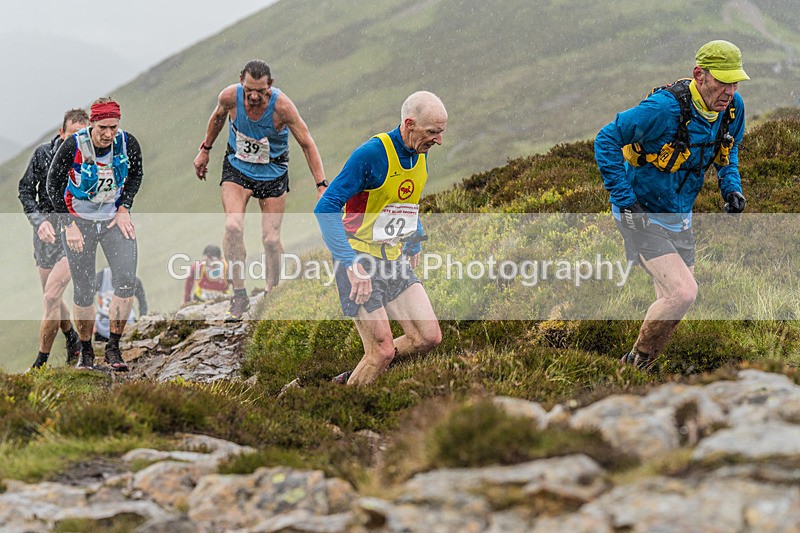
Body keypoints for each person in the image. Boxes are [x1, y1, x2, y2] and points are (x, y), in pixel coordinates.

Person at [594, 40, 749, 371]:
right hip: (641, 216)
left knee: (672, 300)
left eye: (735, 82)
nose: (730, 91)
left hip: (680, 218)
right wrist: (626, 201)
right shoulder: (662, 110)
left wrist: (730, 187)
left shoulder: (732, 110)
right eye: (723, 81)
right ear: (699, 75)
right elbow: (606, 139)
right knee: (683, 293)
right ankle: (633, 366)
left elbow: (728, 150)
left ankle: (645, 370)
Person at [314, 91, 447, 385]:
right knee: (382, 352)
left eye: (441, 132)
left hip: (392, 257)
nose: (438, 140)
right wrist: (350, 265)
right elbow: (325, 208)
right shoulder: (372, 155)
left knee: (427, 337)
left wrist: (415, 238)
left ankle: (359, 373)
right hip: (358, 258)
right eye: (432, 132)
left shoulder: (420, 154)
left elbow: (403, 203)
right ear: (409, 124)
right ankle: (343, 412)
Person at [193, 60, 327, 322]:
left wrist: (321, 185)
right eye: (248, 89)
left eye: (260, 91)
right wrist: (205, 150)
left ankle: (272, 293)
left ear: (271, 85)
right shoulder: (230, 96)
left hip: (273, 173)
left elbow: (307, 143)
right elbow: (217, 117)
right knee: (233, 226)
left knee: (271, 239)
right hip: (237, 168)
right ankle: (240, 294)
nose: (253, 96)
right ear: (240, 80)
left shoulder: (282, 107)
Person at [47, 98, 144, 372]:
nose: (108, 133)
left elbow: (136, 175)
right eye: (102, 127)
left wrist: (125, 207)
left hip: (113, 220)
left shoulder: (127, 143)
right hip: (79, 222)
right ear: (92, 123)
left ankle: (113, 347)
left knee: (126, 281)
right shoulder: (73, 145)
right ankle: (86, 352)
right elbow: (52, 184)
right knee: (84, 289)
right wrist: (68, 225)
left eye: (113, 127)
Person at [19, 108, 90, 369]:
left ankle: (41, 363)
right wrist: (39, 222)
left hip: (75, 234)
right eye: (72, 134)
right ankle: (70, 336)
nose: (77, 140)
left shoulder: (91, 159)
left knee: (50, 297)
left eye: (83, 135)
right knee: (52, 297)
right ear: (61, 133)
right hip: (45, 235)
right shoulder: (43, 155)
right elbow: (26, 191)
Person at [94, 267, 148, 343]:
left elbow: (142, 303)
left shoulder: (133, 280)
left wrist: (141, 322)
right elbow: (88, 297)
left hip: (127, 325)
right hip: (103, 326)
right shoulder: (101, 276)